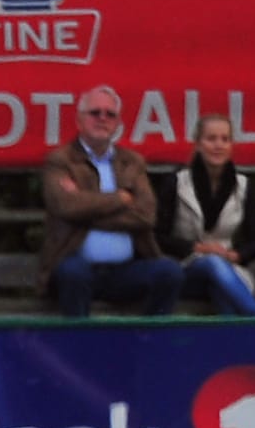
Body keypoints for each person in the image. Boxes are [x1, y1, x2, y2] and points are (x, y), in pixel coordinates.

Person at [41, 87, 179, 316]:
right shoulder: (60, 160)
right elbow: (65, 206)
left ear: (117, 124)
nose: (102, 118)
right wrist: (120, 199)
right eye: (95, 112)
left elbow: (145, 215)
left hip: (125, 271)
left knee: (169, 272)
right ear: (79, 120)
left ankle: (148, 335)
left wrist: (84, 211)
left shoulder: (132, 161)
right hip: (77, 266)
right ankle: (79, 338)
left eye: (110, 114)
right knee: (73, 273)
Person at [160, 112, 255, 316]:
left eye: (225, 139)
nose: (218, 145)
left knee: (222, 290)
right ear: (198, 144)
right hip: (186, 269)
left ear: (231, 145)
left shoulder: (243, 185)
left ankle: (234, 335)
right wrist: (198, 248)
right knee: (212, 263)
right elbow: (159, 236)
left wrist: (236, 255)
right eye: (211, 139)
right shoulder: (177, 183)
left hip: (229, 269)